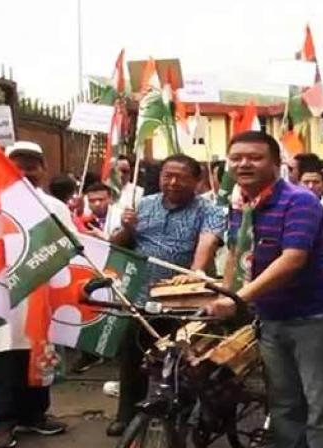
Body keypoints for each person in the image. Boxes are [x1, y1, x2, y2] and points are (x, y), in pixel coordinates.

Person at [206, 131, 323, 448]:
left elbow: (293, 259)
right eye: (236, 158)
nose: (244, 164)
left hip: (313, 318)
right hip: (270, 318)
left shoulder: (300, 201)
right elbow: (235, 252)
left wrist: (238, 299)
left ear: (276, 164)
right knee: (284, 403)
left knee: (322, 404)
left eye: (255, 157)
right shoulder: (239, 203)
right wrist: (225, 295)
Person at [0, 141, 74, 448]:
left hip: (39, 299)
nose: (24, 171)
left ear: (43, 170)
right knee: (1, 362)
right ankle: (1, 424)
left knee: (38, 358)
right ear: (4, 168)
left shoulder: (55, 207)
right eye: (17, 164)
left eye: (32, 164)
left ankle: (35, 416)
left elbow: (71, 248)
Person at [106, 154, 226, 437]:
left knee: (185, 363)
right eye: (167, 175)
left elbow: (207, 243)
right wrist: (127, 228)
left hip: (183, 300)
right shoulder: (142, 205)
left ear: (197, 181)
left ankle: (187, 416)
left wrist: (195, 272)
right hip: (140, 296)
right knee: (133, 359)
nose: (172, 182)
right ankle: (127, 415)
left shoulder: (209, 210)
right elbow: (116, 245)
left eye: (181, 177)